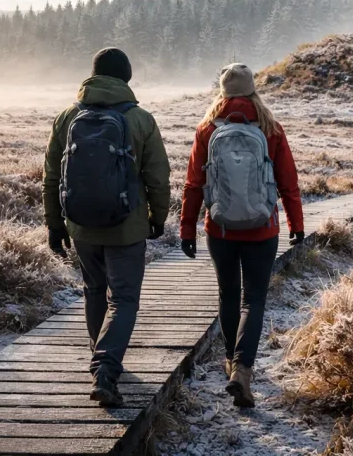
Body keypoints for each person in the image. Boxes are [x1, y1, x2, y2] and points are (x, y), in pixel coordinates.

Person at [43, 47, 171, 407]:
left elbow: (52, 176)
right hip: (127, 228)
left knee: (95, 291)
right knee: (125, 298)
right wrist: (157, 218)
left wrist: (56, 224)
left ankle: (100, 357)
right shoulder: (141, 119)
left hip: (81, 225)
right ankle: (106, 369)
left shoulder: (67, 117)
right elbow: (157, 177)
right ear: (127, 77)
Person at [180, 63, 304, 408]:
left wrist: (187, 229)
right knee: (255, 299)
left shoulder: (207, 129)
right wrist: (297, 225)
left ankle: (232, 363)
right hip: (262, 229)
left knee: (228, 295)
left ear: (222, 91)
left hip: (219, 229)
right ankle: (242, 370)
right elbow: (288, 183)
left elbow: (194, 184)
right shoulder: (270, 128)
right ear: (253, 90)